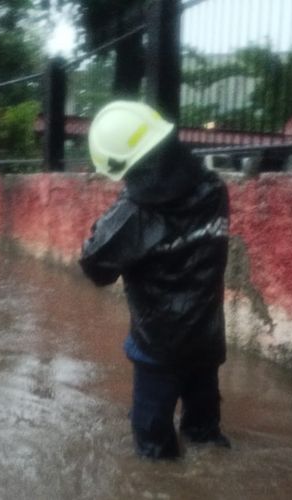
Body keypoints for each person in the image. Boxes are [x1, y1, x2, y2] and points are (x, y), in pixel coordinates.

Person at [79, 101, 231, 460]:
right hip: (207, 337)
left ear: (124, 166)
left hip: (158, 347)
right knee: (205, 434)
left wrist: (121, 204)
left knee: (153, 449)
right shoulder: (214, 188)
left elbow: (96, 266)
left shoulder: (135, 213)